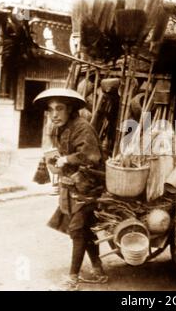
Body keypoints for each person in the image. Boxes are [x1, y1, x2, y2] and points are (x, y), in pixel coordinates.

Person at [33, 88, 107, 290]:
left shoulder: (82, 128)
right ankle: (98, 270)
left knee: (77, 229)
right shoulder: (60, 129)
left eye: (59, 108)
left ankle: (73, 277)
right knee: (86, 230)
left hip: (90, 186)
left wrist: (67, 159)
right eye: (50, 110)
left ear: (70, 109)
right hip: (73, 186)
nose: (54, 114)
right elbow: (59, 154)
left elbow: (92, 157)